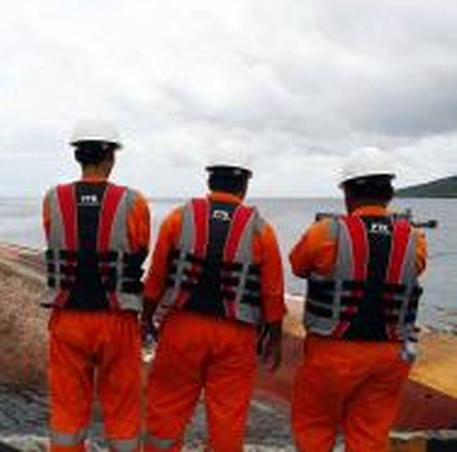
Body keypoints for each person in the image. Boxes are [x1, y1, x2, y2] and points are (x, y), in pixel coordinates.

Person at [142, 147, 285, 452]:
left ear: (209, 180)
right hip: (236, 337)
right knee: (228, 418)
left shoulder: (178, 219)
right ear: (245, 184)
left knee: (166, 410)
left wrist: (145, 320)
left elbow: (155, 278)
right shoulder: (262, 231)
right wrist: (275, 337)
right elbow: (272, 293)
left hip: (181, 328)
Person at [290, 146, 428, 452]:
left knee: (315, 427)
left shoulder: (325, 232)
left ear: (347, 193)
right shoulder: (414, 239)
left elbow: (298, 265)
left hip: (332, 353)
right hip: (391, 356)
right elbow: (413, 269)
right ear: (389, 193)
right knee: (371, 434)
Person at [41, 119, 151, 451]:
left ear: (78, 156)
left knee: (67, 408)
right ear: (111, 158)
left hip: (68, 318)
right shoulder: (133, 202)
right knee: (122, 407)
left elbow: (53, 237)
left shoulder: (53, 199)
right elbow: (140, 247)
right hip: (116, 318)